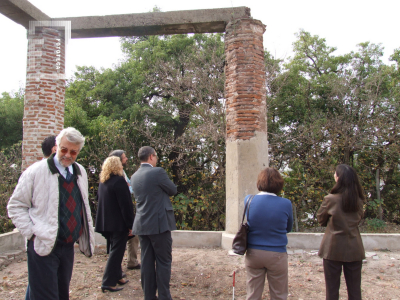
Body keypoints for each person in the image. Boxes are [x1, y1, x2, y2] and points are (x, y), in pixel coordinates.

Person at [7, 127, 95, 300]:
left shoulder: (80, 172)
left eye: (73, 152)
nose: (68, 155)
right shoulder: (36, 171)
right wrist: (32, 233)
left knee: (62, 294)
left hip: (68, 247)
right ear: (57, 145)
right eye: (64, 149)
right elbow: (15, 206)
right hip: (43, 246)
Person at [131, 146, 177, 300]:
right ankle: (164, 296)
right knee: (164, 261)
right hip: (159, 224)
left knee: (146, 261)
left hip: (142, 224)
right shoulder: (157, 172)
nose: (156, 159)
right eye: (156, 156)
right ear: (151, 156)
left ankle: (149, 296)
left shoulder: (134, 176)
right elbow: (172, 190)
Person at [317, 164, 365, 300]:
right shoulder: (359, 200)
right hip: (354, 247)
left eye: (335, 173)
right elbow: (358, 219)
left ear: (338, 178)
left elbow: (321, 219)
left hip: (332, 248)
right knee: (355, 290)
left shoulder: (330, 199)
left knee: (332, 291)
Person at [245, 167, 293, 300]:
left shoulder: (248, 200)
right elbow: (288, 228)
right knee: (279, 294)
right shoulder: (286, 203)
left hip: (253, 252)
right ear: (279, 183)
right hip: (277, 254)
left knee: (253, 293)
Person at [95, 156, 134, 293]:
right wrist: (131, 224)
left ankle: (118, 277)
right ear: (117, 166)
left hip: (106, 223)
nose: (123, 167)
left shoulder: (103, 182)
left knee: (114, 250)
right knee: (116, 253)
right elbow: (126, 205)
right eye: (120, 165)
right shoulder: (119, 182)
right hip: (118, 224)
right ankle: (108, 282)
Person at [109, 150, 141, 270]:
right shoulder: (117, 177)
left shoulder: (120, 173)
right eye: (124, 157)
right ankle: (116, 270)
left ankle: (131, 262)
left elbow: (130, 188)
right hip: (119, 213)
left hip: (120, 211)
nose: (126, 159)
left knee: (133, 236)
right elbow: (128, 190)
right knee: (122, 240)